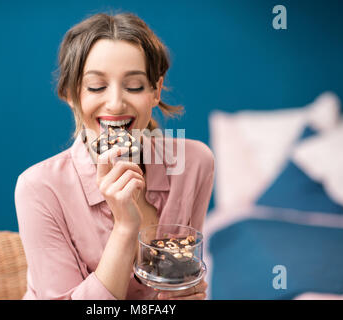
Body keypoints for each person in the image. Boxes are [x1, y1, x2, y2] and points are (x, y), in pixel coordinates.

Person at [14, 12, 214, 300]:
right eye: (96, 86)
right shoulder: (38, 188)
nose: (116, 103)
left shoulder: (195, 163)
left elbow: (182, 281)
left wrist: (187, 292)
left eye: (134, 86)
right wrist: (125, 227)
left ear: (156, 91)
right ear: (72, 93)